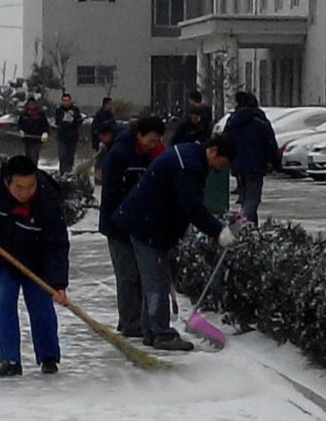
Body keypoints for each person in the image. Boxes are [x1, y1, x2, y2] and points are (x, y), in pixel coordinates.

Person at [112, 134, 238, 351]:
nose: (219, 170)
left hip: (149, 222)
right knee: (157, 281)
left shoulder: (190, 156)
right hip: (147, 224)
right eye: (221, 164)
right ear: (214, 151)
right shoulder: (187, 165)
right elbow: (192, 206)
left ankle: (151, 330)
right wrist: (218, 231)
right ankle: (161, 334)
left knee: (155, 278)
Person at [0, 155, 70, 377]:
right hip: (5, 256)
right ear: (7, 181)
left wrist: (58, 283)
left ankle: (48, 357)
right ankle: (10, 360)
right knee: (6, 302)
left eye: (31, 186)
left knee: (41, 305)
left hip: (38, 260)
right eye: (19, 187)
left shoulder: (47, 199)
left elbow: (57, 245)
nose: (26, 192)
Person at [99, 117, 165, 338]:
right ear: (139, 134)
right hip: (117, 224)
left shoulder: (150, 155)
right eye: (150, 140)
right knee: (127, 275)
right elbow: (111, 193)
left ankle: (134, 320)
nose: (153, 144)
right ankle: (130, 322)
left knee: (140, 275)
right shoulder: (119, 154)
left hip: (139, 224)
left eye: (156, 141)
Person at [224, 92, 280, 225]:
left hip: (238, 165)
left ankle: (251, 227)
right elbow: (270, 144)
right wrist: (276, 164)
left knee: (245, 198)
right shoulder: (260, 122)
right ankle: (244, 224)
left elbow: (225, 141)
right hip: (256, 166)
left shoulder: (232, 122)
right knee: (252, 199)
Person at [55, 93, 83, 174]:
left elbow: (78, 121)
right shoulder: (59, 110)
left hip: (72, 137)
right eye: (64, 101)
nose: (66, 102)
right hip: (62, 137)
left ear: (70, 101)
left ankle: (69, 172)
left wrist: (74, 118)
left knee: (70, 156)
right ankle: (62, 172)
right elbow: (58, 122)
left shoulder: (75, 110)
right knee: (62, 156)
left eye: (67, 100)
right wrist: (65, 119)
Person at [17, 97, 49, 165]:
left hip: (37, 139)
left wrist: (45, 133)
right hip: (27, 139)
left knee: (34, 155)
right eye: (30, 104)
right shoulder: (24, 114)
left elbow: (45, 125)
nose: (32, 105)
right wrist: (20, 131)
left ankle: (34, 170)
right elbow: (19, 125)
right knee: (28, 156)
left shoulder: (40, 114)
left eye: (33, 104)